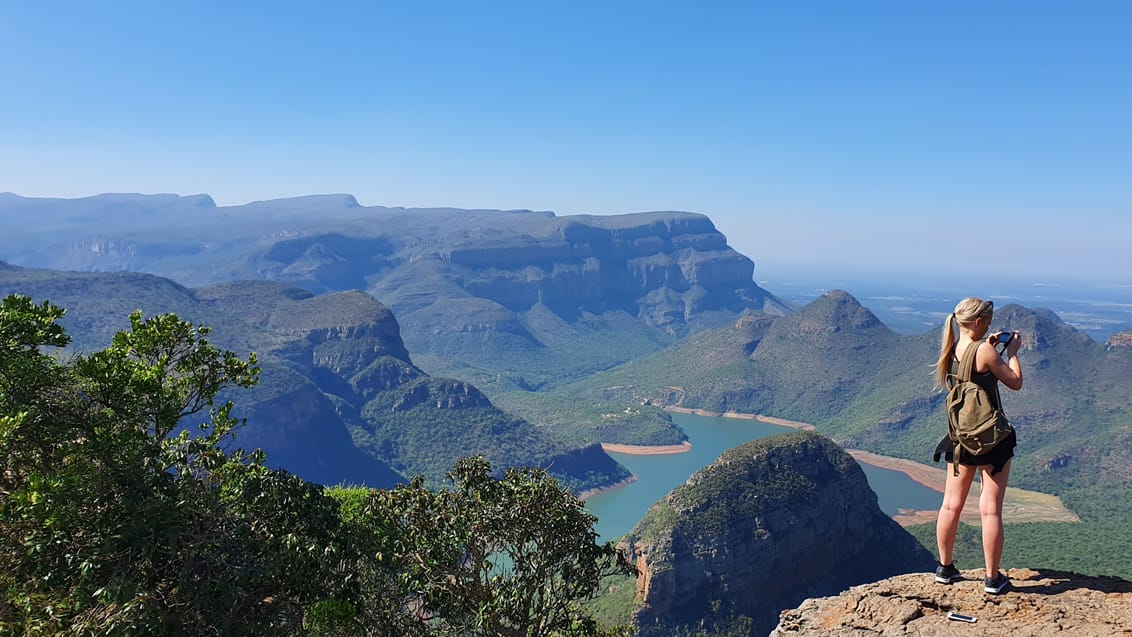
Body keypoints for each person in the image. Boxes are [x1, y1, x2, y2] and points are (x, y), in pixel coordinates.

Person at [931, 297, 1023, 595]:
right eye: (989, 318)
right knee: (990, 510)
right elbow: (1015, 382)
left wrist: (989, 346)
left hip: (960, 437)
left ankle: (945, 569)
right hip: (991, 440)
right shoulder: (984, 350)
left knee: (950, 504)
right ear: (980, 322)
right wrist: (1012, 353)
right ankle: (992, 579)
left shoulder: (953, 345)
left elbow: (974, 365)